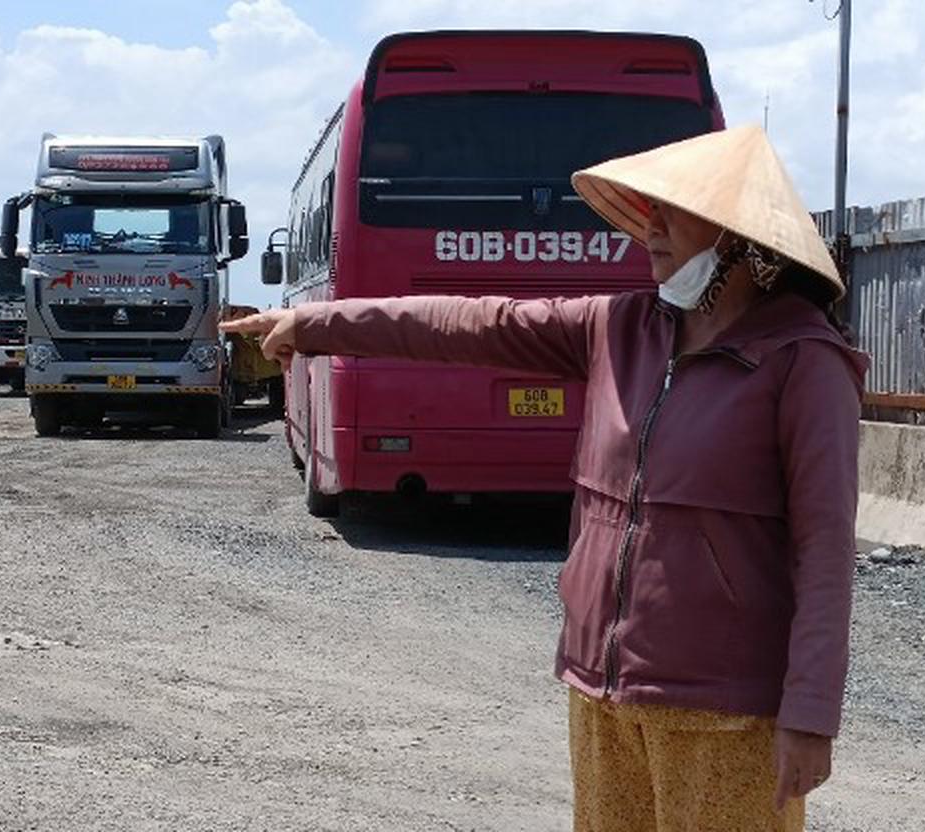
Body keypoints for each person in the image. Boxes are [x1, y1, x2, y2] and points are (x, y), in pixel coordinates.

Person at [222, 125, 867, 831]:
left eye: (673, 214)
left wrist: (811, 712)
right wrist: (314, 324)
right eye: (649, 212)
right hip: (602, 695)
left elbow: (825, 551)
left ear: (738, 238)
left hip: (726, 716)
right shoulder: (621, 327)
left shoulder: (805, 361)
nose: (648, 231)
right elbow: (469, 324)